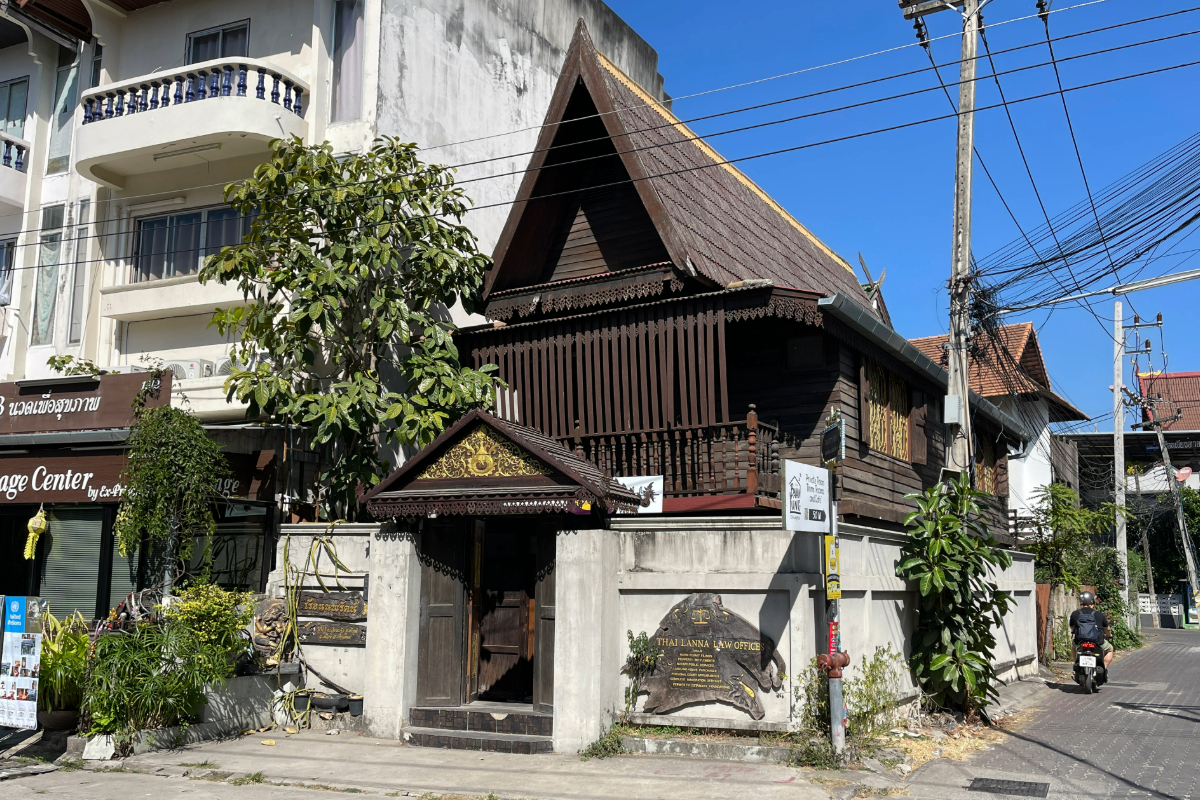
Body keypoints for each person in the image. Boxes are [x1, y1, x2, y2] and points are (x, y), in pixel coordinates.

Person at [1069, 591, 1113, 671]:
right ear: (1092, 602)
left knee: (1073, 645)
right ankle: (1103, 668)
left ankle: (1076, 664)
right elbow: (1107, 629)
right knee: (1110, 649)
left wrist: (1074, 632)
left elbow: (1072, 627)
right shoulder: (1098, 614)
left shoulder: (1075, 614)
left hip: (1080, 641)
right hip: (1097, 641)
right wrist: (1109, 635)